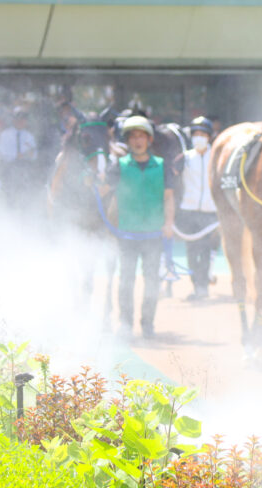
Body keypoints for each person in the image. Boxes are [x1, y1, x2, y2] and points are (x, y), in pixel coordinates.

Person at [106, 116, 176, 339]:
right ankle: (125, 324)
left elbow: (168, 198)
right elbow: (104, 194)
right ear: (128, 141)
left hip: (153, 234)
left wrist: (168, 223)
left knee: (152, 282)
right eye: (133, 136)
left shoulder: (162, 166)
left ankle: (148, 324)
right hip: (127, 234)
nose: (137, 141)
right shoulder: (119, 166)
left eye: (141, 136)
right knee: (126, 280)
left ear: (149, 139)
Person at [177, 116, 219, 301]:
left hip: (211, 211)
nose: (199, 138)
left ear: (209, 136)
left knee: (206, 249)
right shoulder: (185, 158)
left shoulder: (218, 157)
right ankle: (197, 285)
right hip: (189, 210)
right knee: (192, 250)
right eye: (195, 134)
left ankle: (203, 286)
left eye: (203, 134)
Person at [0, 107, 39, 207]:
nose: (21, 121)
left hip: (24, 169)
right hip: (9, 169)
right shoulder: (5, 135)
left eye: (23, 119)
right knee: (10, 197)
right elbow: (2, 152)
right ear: (13, 120)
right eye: (18, 118)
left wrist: (30, 154)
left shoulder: (29, 136)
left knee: (24, 196)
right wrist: (16, 156)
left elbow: (34, 154)